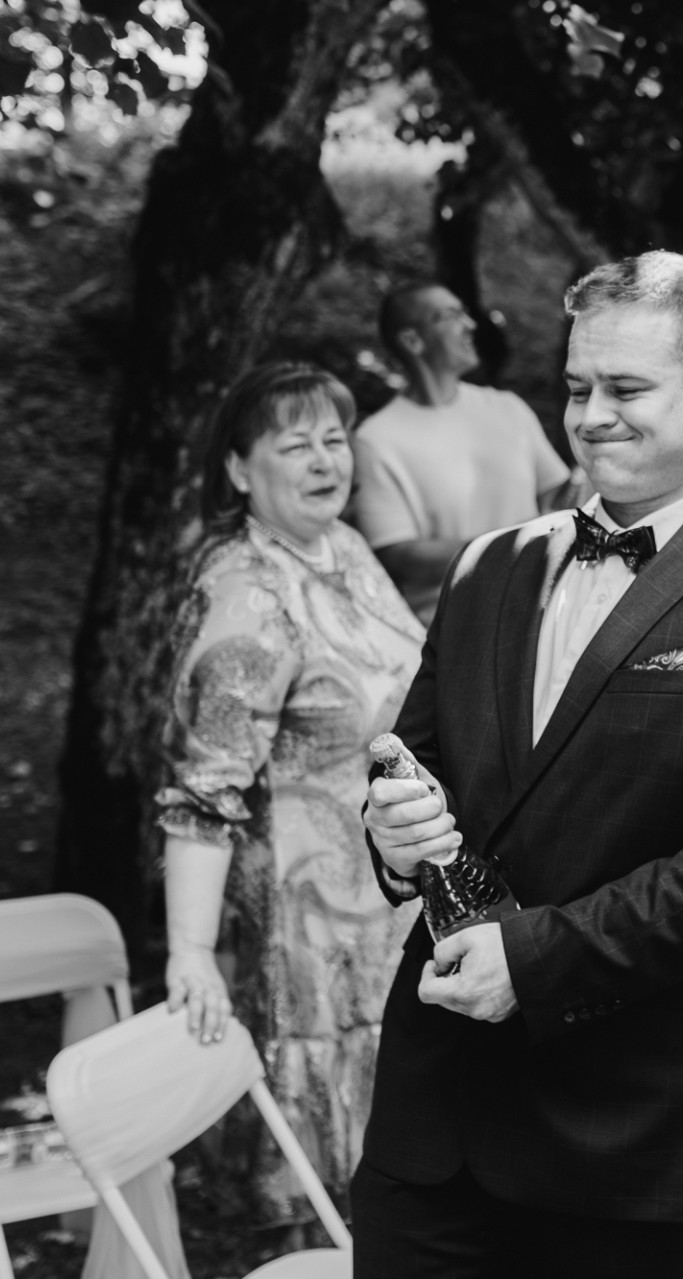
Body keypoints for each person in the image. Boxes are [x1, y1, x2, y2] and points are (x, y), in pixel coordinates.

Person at [350, 250, 683, 1277]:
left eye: (626, 388)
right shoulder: (488, 566)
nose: (591, 417)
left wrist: (535, 961)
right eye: (577, 386)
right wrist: (392, 832)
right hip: (435, 1123)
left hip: (632, 1130)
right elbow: (419, 764)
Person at [157, 362, 426, 1228]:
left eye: (334, 439)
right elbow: (203, 794)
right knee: (326, 1200)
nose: (324, 460)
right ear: (239, 468)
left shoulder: (342, 547)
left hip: (387, 915)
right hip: (306, 944)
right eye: (295, 444)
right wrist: (191, 949)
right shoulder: (245, 593)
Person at [349, 282, 573, 623]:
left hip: (543, 612)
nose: (469, 324)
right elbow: (397, 555)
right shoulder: (375, 438)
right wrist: (514, 548)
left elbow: (559, 496)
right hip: (451, 627)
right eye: (451, 315)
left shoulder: (507, 407)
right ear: (412, 341)